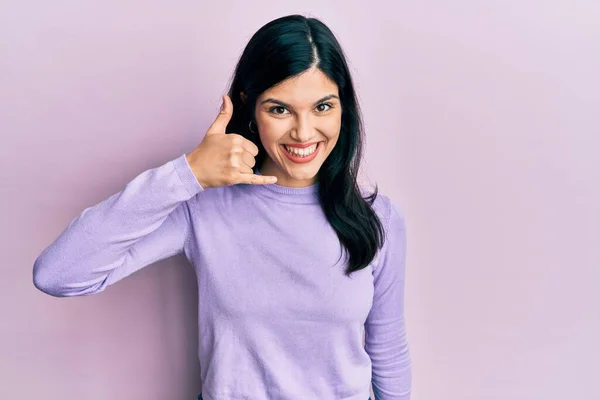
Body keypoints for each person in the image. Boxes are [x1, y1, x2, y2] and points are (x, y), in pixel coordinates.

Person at [32, 14, 411, 400]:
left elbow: (388, 348)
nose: (303, 131)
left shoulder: (378, 218)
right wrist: (187, 173)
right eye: (279, 109)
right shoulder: (203, 206)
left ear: (343, 107)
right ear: (249, 107)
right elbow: (59, 275)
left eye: (322, 107)